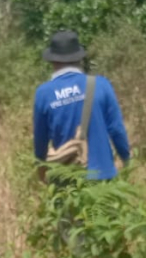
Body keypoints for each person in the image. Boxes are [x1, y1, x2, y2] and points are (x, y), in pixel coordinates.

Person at [33, 30, 130, 182]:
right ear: (79, 58)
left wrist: (41, 169)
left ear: (52, 61)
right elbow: (116, 129)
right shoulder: (101, 84)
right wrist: (126, 160)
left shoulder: (44, 93)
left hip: (68, 178)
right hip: (103, 177)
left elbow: (40, 141)